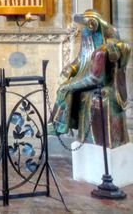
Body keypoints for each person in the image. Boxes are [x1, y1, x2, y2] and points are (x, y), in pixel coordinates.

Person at [48, 10, 129, 148]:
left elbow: (95, 78)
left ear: (92, 25)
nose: (82, 30)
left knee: (68, 90)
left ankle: (58, 125)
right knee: (68, 90)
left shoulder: (102, 52)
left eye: (84, 26)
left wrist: (70, 85)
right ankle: (57, 125)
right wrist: (70, 69)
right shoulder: (88, 35)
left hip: (104, 85)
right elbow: (82, 59)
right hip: (93, 79)